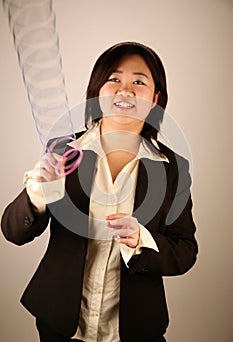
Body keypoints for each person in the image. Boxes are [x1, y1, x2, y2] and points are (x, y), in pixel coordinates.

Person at [1, 42, 198, 342]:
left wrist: (140, 240)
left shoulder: (173, 168)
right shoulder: (64, 151)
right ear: (97, 92)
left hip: (135, 329)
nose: (125, 90)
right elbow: (13, 231)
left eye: (139, 82)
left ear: (156, 99)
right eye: (114, 79)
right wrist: (40, 191)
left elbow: (185, 251)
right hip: (60, 323)